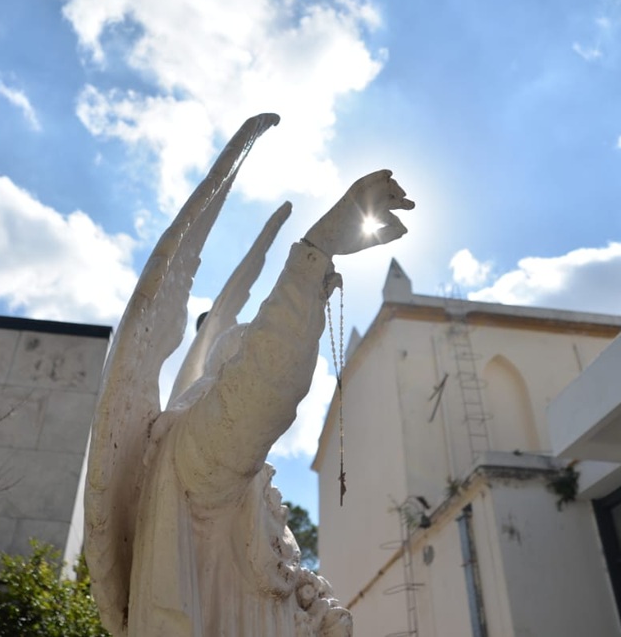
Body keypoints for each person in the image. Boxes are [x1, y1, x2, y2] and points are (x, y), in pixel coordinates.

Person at [86, 114, 414, 637]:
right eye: (245, 354)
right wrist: (315, 255)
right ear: (226, 373)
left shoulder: (238, 482)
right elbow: (266, 380)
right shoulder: (195, 449)